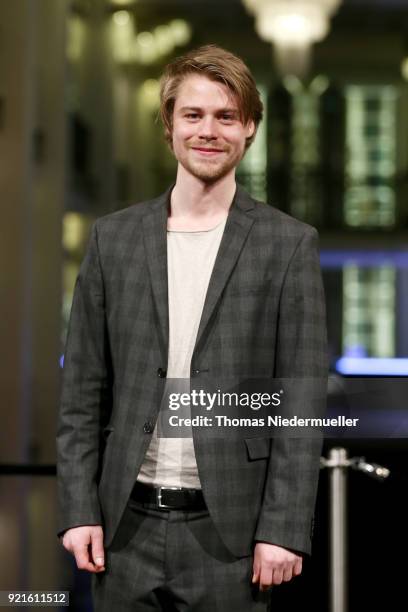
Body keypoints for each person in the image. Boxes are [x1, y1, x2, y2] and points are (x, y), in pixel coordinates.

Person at [57, 44, 328, 611]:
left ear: (249, 126)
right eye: (194, 115)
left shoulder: (288, 243)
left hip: (230, 535)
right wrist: (78, 509)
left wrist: (283, 527)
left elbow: (301, 399)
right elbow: (82, 391)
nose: (209, 131)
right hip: (122, 530)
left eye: (226, 116)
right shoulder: (114, 239)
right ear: (169, 124)